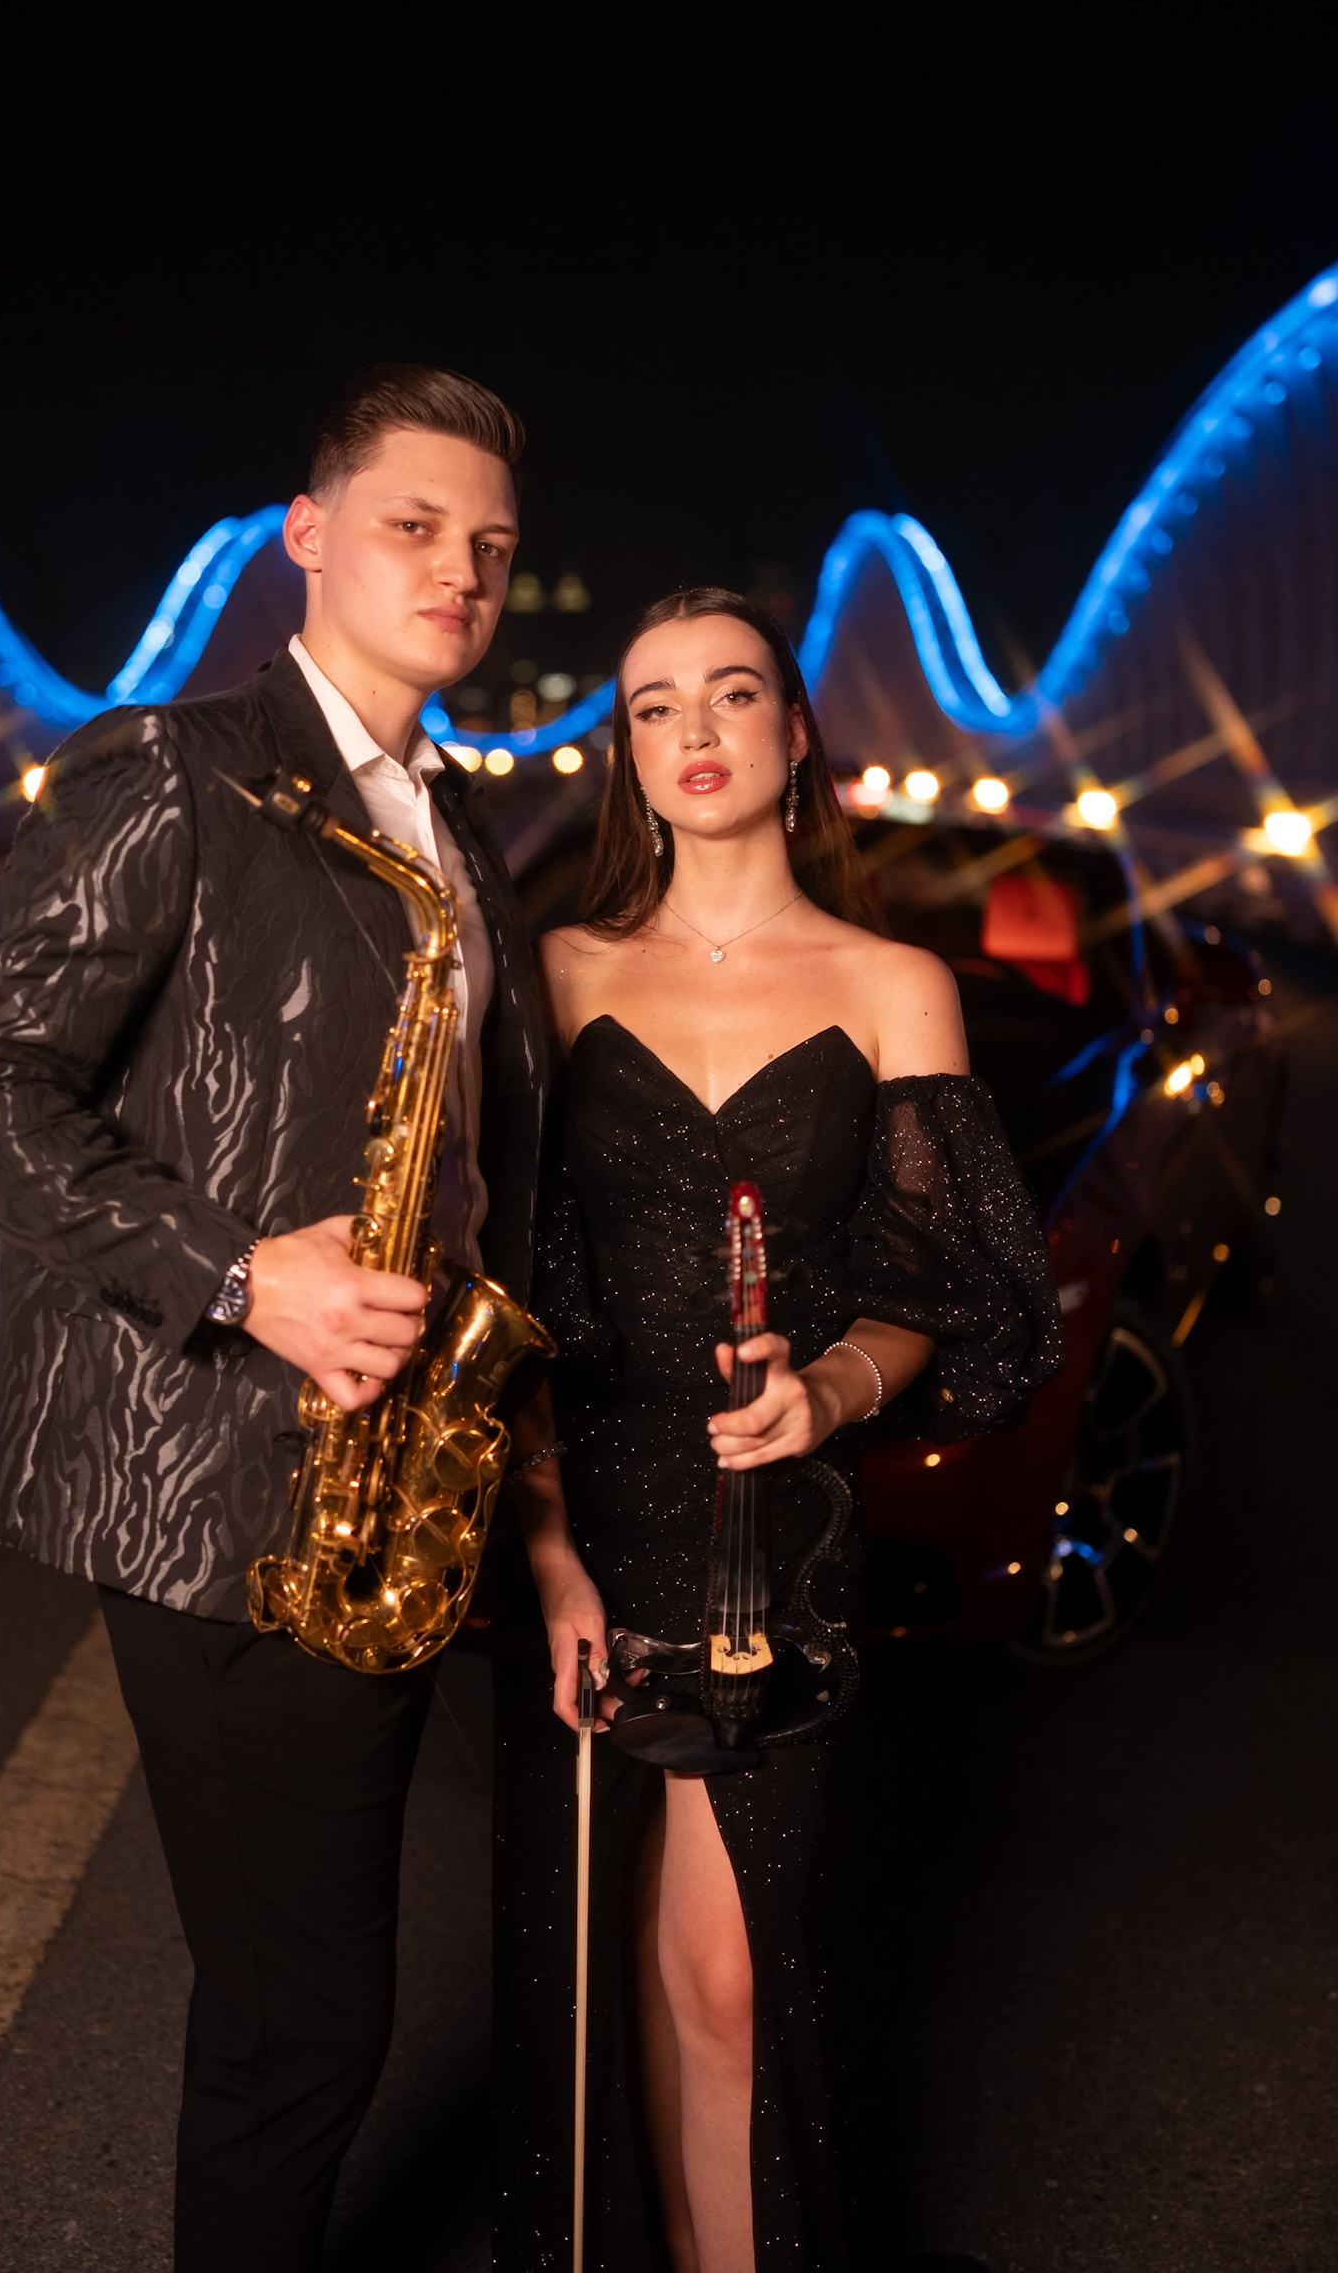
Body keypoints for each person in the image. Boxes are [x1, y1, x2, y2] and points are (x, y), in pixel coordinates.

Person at [0, 366, 547, 2273]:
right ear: (311, 533)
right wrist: (245, 1273)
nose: (459, 569)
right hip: (219, 1488)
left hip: (388, 1464)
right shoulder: (172, 766)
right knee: (304, 2029)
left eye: (492, 544)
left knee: (301, 2007)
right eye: (415, 525)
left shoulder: (456, 827)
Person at [494, 587, 1063, 2273]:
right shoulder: (559, 974)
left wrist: (830, 1390)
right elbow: (510, 1294)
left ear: (794, 734)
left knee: (735, 1975)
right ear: (626, 752)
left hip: (776, 1541)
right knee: (592, 1968)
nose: (696, 730)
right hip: (587, 1530)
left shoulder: (893, 983)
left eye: (733, 693)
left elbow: (941, 1297)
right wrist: (545, 1545)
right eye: (655, 704)